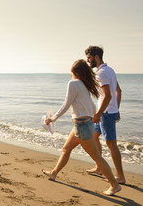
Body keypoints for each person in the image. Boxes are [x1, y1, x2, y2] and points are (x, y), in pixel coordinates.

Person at [42, 59, 121, 196]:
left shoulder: (73, 83)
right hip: (84, 124)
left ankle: (114, 185)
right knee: (66, 149)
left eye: (71, 72)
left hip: (81, 126)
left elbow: (66, 104)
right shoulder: (84, 86)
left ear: (75, 72)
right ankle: (54, 173)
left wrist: (52, 119)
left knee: (96, 156)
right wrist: (92, 118)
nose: (70, 75)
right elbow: (92, 106)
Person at [84, 46, 126, 184]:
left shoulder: (101, 73)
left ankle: (120, 176)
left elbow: (108, 96)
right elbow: (118, 91)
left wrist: (98, 114)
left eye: (89, 58)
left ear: (97, 57)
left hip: (106, 113)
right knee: (94, 136)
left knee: (111, 144)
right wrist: (117, 109)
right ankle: (99, 167)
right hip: (109, 111)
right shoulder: (110, 70)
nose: (88, 60)